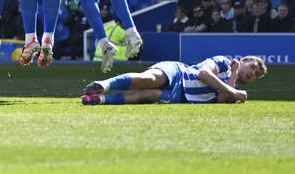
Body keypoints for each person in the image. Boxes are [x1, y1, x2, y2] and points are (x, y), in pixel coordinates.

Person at [81, 55, 267, 105]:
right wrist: (234, 90)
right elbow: (203, 74)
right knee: (150, 79)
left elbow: (221, 100)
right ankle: (104, 85)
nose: (253, 73)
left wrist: (234, 77)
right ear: (243, 61)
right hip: (180, 72)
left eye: (256, 74)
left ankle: (100, 99)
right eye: (252, 67)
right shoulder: (223, 62)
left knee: (147, 95)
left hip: (183, 97)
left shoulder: (233, 86)